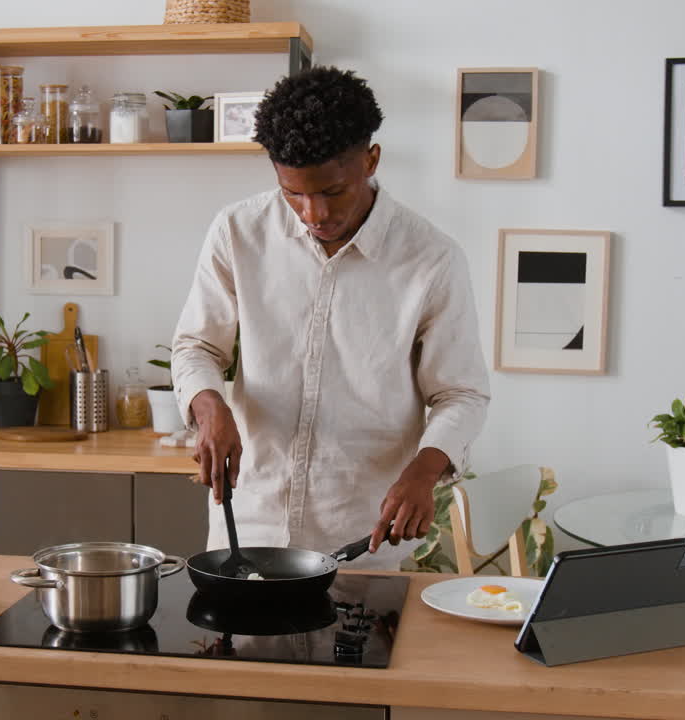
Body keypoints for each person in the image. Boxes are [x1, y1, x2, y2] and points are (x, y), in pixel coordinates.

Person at [171, 66, 490, 570]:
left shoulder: (432, 259)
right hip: (248, 523)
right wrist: (209, 408)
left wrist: (425, 471)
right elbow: (197, 346)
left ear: (371, 161)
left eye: (332, 192)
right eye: (293, 193)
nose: (313, 213)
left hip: (363, 537)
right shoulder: (237, 231)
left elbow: (461, 393)